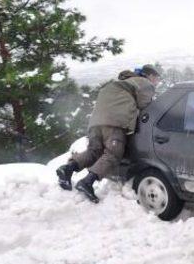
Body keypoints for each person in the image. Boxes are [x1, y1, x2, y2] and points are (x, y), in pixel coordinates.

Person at [56, 64, 160, 203]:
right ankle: (87, 182)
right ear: (150, 76)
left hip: (95, 122)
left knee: (94, 151)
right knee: (113, 154)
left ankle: (67, 169)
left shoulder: (119, 83)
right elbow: (147, 108)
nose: (156, 82)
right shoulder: (144, 83)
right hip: (114, 124)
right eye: (156, 79)